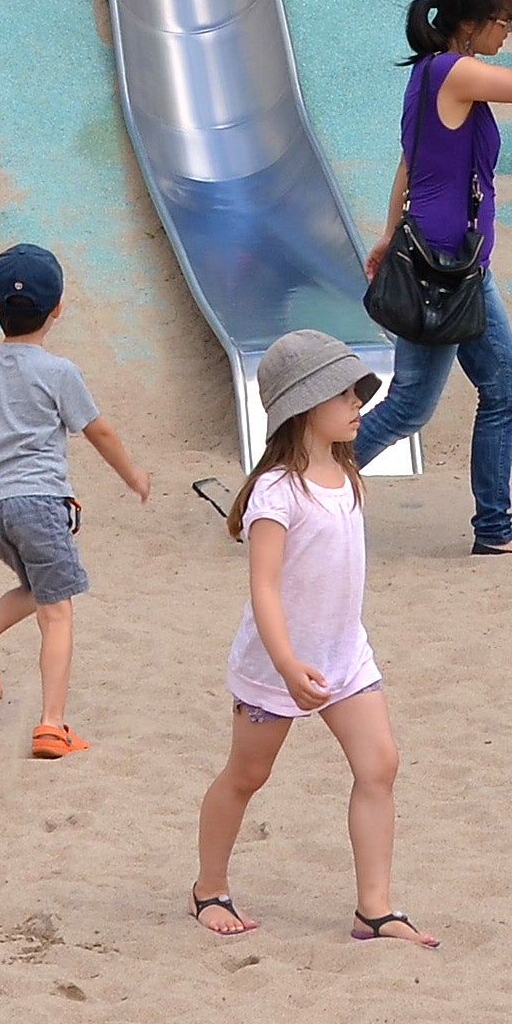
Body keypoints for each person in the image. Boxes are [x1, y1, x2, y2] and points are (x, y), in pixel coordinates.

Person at [193, 330, 432, 945]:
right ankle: (208, 889)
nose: (359, 403)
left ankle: (373, 908)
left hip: (345, 656)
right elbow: (265, 588)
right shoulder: (277, 491)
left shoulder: (346, 472)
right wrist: (287, 662)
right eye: (345, 393)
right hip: (279, 667)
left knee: (380, 764)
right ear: (304, 404)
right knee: (246, 777)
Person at [349, 0, 512, 556]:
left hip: (444, 258)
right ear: (471, 20)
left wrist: (392, 232)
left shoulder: (429, 72)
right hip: (449, 268)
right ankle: (290, 494)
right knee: (440, 402)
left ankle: (289, 492)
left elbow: (412, 164)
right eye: (503, 22)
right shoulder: (455, 72)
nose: (509, 32)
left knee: (446, 399)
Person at [0, 241, 151, 756]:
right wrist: (133, 475)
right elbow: (99, 432)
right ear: (58, 307)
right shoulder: (59, 372)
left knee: (38, 586)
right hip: (39, 502)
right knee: (57, 610)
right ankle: (52, 724)